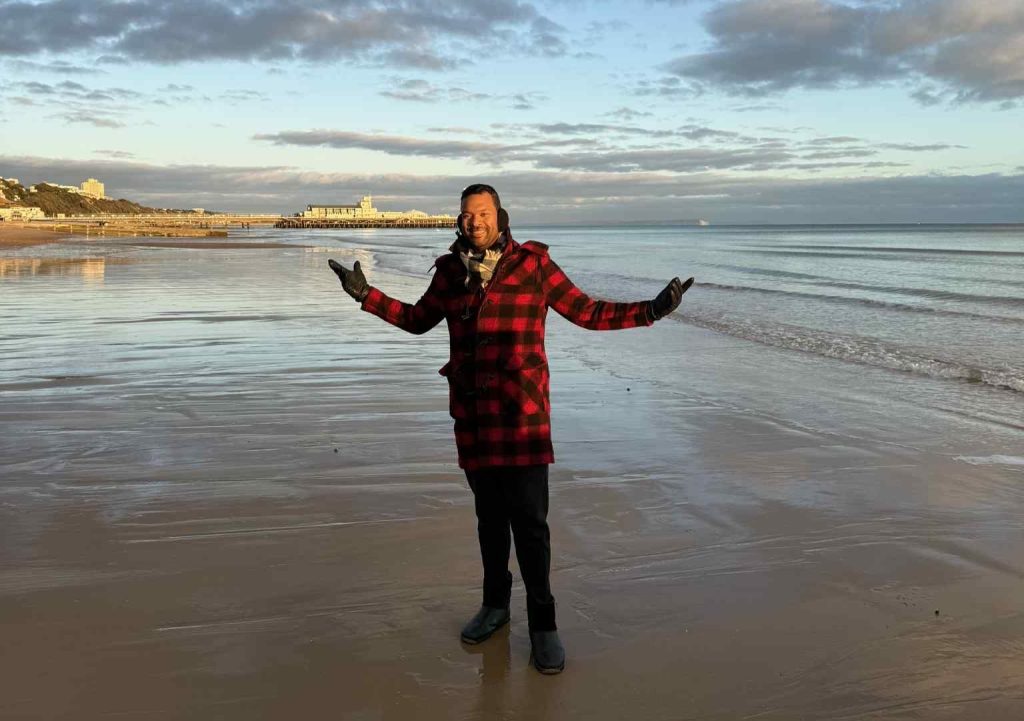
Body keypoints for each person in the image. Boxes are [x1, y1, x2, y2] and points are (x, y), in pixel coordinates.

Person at [329, 184, 692, 674]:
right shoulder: (450, 272)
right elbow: (418, 320)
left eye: (482, 213)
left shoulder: (534, 266)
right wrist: (366, 295)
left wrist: (651, 310)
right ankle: (495, 608)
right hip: (474, 419)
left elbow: (587, 311)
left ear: (500, 217)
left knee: (531, 527)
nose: (474, 221)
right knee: (490, 523)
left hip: (521, 418)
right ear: (459, 222)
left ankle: (544, 627)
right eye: (466, 214)